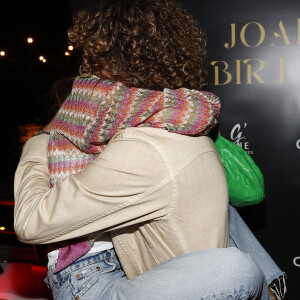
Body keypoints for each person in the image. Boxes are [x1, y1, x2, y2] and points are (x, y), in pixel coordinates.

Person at [14, 0, 286, 299]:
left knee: (234, 265)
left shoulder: (140, 147)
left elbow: (29, 223)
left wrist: (42, 137)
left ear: (108, 60)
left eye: (93, 56)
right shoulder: (184, 124)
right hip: (124, 264)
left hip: (87, 281)